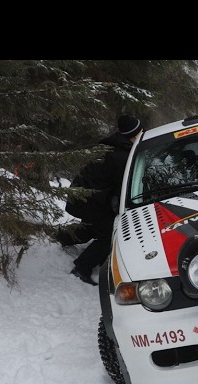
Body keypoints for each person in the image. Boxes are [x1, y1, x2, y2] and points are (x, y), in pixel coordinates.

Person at [55, 114, 144, 285]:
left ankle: (62, 237)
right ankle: (82, 268)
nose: (143, 133)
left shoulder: (113, 146)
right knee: (112, 234)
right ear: (133, 135)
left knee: (93, 226)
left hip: (84, 198)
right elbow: (123, 187)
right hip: (90, 201)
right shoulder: (121, 157)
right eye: (141, 131)